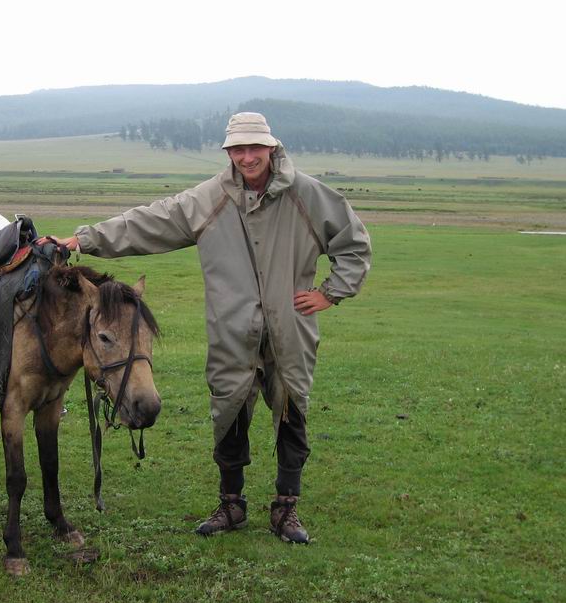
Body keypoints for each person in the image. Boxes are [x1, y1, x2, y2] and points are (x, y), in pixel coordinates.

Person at [57, 111, 371, 543]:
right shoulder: (211, 198)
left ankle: (286, 508)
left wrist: (330, 293)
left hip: (291, 329)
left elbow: (354, 245)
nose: (247, 157)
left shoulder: (308, 195)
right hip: (231, 331)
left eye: (254, 148)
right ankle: (231, 504)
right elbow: (151, 221)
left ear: (271, 147)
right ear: (228, 152)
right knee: (228, 412)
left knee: (292, 410)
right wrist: (84, 239)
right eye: (238, 149)